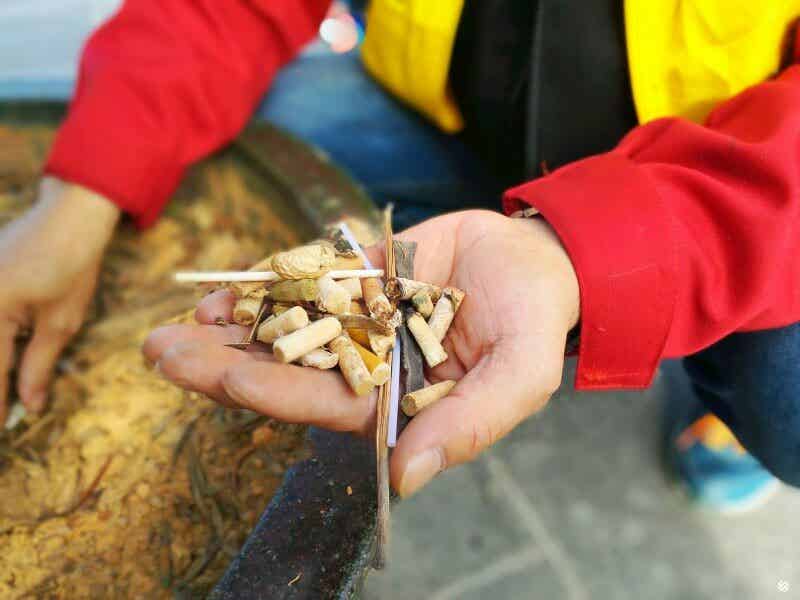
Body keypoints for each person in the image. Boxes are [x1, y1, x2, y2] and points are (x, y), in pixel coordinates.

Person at [3, 0, 800, 508]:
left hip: (725, 171)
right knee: (251, 141)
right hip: (449, 116)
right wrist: (85, 188)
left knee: (785, 394)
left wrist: (595, 251)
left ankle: (708, 382)